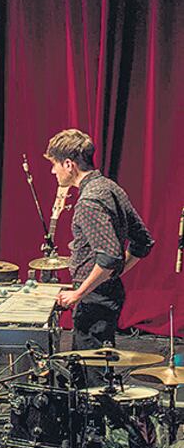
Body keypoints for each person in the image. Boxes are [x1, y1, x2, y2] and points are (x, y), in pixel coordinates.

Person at [43, 129, 154, 384]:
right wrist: (113, 275)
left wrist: (79, 293)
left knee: (94, 378)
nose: (53, 172)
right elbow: (142, 242)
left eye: (55, 165)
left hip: (95, 300)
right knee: (94, 367)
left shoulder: (89, 201)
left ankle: (108, 422)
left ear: (69, 165)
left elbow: (108, 258)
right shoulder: (110, 187)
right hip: (105, 294)